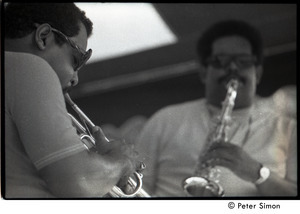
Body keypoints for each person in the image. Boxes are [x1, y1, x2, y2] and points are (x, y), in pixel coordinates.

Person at [135, 20, 297, 197]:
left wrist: (258, 173)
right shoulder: (164, 119)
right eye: (221, 61)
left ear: (257, 73)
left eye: (243, 61)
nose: (233, 68)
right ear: (204, 72)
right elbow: (138, 188)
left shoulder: (290, 130)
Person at [4, 3, 141, 198]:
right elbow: (78, 184)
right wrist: (121, 161)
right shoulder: (28, 67)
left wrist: (89, 161)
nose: (75, 78)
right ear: (43, 37)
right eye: (77, 60)